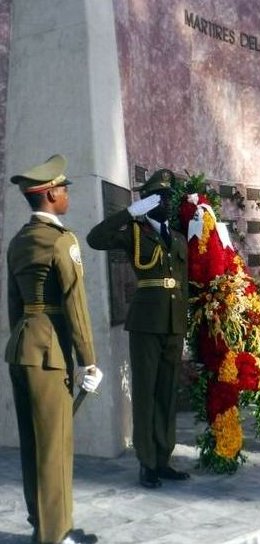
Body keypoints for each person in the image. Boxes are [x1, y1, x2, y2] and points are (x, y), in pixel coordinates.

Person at [5, 154, 102, 544]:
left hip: (22, 349)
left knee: (33, 444)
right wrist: (89, 362)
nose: (65, 195)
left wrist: (23, 341)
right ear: (48, 196)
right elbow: (75, 305)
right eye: (61, 190)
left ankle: (40, 525)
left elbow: (14, 305)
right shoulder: (63, 241)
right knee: (55, 447)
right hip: (50, 355)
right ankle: (55, 535)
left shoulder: (19, 241)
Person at [87, 169, 189, 488]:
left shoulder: (178, 237)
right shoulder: (133, 231)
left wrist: (185, 322)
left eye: (170, 198)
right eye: (160, 197)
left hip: (173, 323)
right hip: (146, 322)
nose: (167, 203)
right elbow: (95, 239)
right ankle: (147, 462)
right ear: (147, 201)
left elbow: (183, 283)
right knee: (146, 392)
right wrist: (128, 213)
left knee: (167, 393)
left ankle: (163, 457)